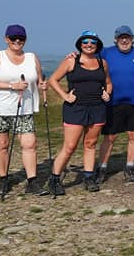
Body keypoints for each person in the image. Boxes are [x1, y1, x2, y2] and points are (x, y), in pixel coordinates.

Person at [0, 24, 48, 196]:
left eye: (21, 38)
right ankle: (3, 179)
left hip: (24, 108)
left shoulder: (32, 57)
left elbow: (39, 78)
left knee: (29, 143)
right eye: (13, 38)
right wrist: (12, 86)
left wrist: (42, 84)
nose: (17, 41)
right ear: (6, 39)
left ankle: (32, 181)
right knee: (2, 145)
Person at [45, 30, 112, 195]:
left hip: (97, 107)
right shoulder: (71, 61)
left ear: (97, 46)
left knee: (90, 144)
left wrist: (107, 93)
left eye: (93, 42)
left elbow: (108, 82)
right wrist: (65, 96)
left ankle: (89, 177)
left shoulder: (102, 62)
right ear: (80, 44)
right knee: (70, 146)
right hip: (76, 108)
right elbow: (53, 80)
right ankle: (54, 179)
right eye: (85, 41)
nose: (89, 45)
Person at [97, 25, 134, 183]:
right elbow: (86, 60)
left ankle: (130, 167)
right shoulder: (105, 53)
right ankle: (101, 168)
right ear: (115, 40)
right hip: (112, 102)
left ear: (133, 39)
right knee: (110, 137)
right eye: (121, 37)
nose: (124, 40)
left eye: (127, 37)